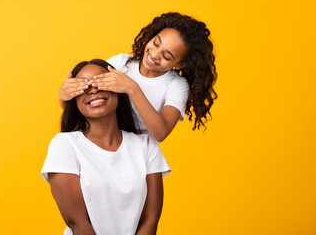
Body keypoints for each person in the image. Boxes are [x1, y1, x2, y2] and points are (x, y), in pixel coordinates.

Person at [41, 59, 170, 235]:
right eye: (83, 87)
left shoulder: (146, 147)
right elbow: (77, 222)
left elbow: (150, 221)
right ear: (74, 101)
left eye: (100, 82)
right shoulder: (65, 145)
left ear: (118, 90)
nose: (93, 89)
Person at [58, 12, 218, 142]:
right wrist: (63, 97)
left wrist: (132, 88)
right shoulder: (120, 62)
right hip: (103, 143)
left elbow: (161, 133)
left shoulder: (176, 86)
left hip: (140, 156)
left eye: (167, 56)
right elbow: (88, 105)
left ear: (181, 64)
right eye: (156, 43)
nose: (154, 54)